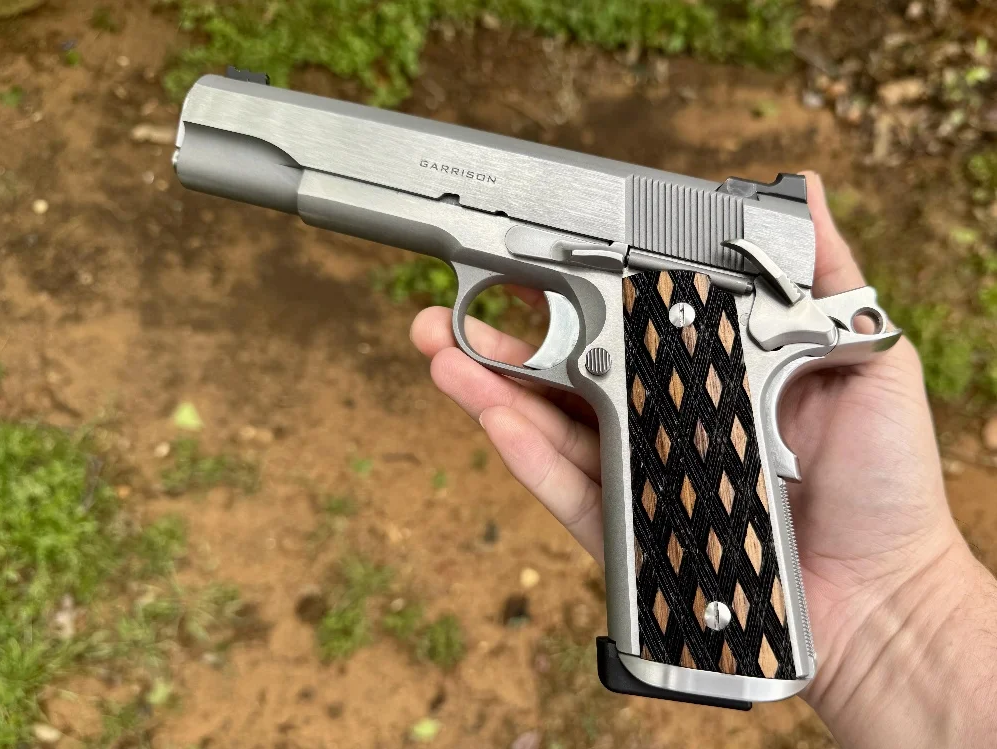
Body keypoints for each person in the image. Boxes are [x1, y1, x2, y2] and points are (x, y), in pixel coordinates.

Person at [409, 172, 997, 748]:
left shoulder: (692, 279)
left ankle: (715, 635)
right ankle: (717, 631)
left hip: (685, 287)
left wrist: (907, 593)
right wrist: (905, 606)